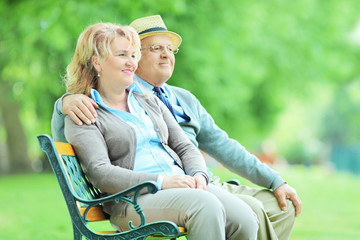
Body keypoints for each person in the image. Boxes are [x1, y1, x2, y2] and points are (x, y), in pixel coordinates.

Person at [52, 15, 302, 240]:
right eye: (122, 55)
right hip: (133, 200)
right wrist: (162, 181)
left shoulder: (147, 100)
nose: (131, 62)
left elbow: (186, 145)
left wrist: (198, 176)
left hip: (187, 185)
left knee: (245, 218)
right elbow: (99, 171)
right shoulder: (83, 110)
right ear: (96, 62)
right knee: (207, 206)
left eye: (132, 55)